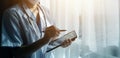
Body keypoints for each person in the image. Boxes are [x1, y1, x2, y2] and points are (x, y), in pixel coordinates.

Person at [1, 0, 76, 58]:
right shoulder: (12, 13)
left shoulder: (46, 11)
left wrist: (60, 43)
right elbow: (17, 53)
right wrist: (45, 39)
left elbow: (48, 44)